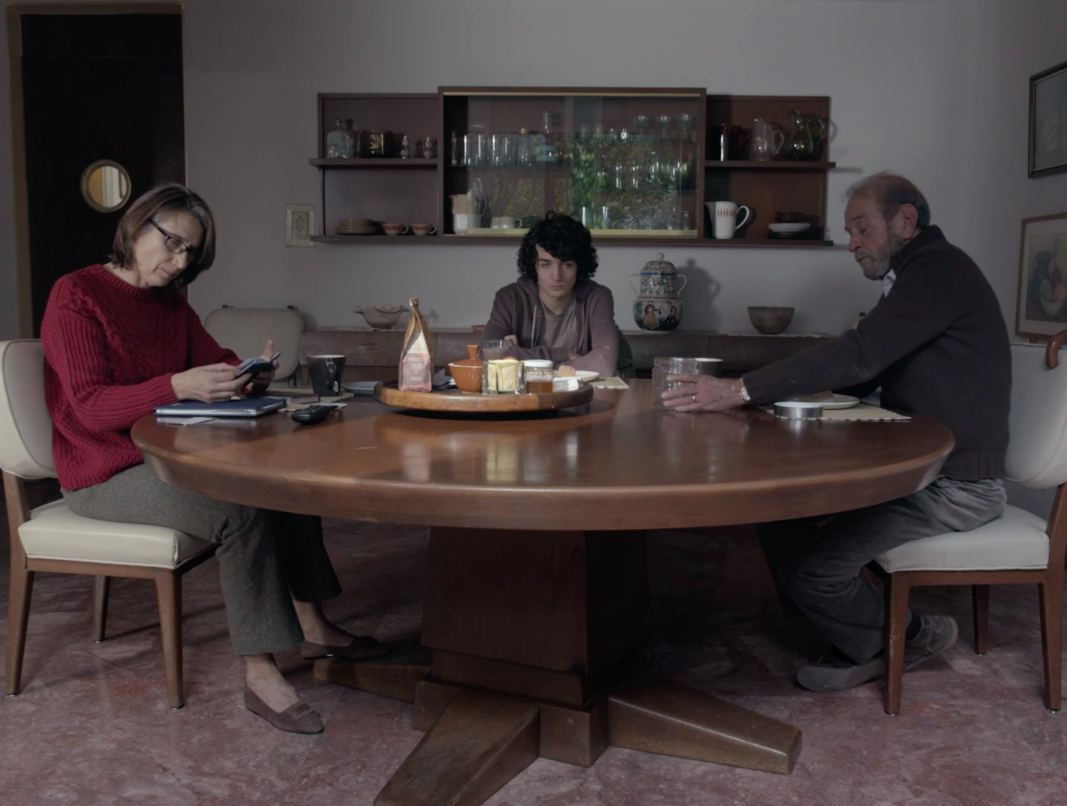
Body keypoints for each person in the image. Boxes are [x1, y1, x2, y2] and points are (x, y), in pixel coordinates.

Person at [41, 184, 386, 734]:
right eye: (173, 244)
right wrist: (176, 385)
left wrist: (247, 374)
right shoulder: (76, 295)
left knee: (283, 482)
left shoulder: (171, 305)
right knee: (240, 510)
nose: (180, 262)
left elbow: (217, 360)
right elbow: (89, 407)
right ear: (136, 227)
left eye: (191, 253)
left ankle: (314, 625)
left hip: (166, 458)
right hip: (104, 471)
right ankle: (260, 673)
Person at [662, 173, 1011, 693]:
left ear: (906, 220)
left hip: (958, 485)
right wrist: (760, 396)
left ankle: (909, 636)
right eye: (850, 232)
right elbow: (864, 370)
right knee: (773, 509)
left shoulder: (939, 270)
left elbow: (860, 356)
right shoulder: (919, 275)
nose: (852, 244)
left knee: (811, 569)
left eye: (862, 228)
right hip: (926, 473)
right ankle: (841, 620)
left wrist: (740, 389)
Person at [481, 212, 633, 378]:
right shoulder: (510, 298)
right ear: (534, 266)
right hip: (529, 393)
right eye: (546, 265)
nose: (556, 276)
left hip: (585, 392)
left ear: (579, 266)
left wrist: (522, 358)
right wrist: (564, 354)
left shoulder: (597, 297)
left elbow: (604, 366)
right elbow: (486, 356)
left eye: (566, 265)